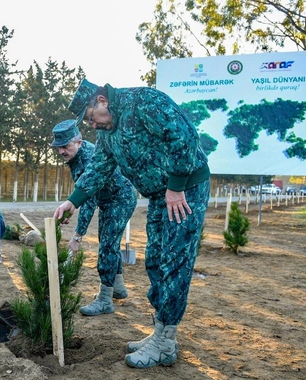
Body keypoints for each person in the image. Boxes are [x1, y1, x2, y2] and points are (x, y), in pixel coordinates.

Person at [53, 78, 211, 368]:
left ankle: (165, 343)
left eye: (90, 118)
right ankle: (162, 334)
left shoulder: (143, 102)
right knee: (155, 261)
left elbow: (183, 136)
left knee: (174, 263)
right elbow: (99, 167)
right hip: (158, 196)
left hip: (185, 191)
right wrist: (72, 201)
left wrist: (176, 186)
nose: (92, 125)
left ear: (102, 101)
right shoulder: (107, 134)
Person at [51, 119, 137, 316]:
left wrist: (77, 237)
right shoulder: (75, 158)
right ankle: (118, 288)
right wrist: (72, 206)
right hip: (108, 199)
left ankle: (105, 300)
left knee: (106, 246)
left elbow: (89, 198)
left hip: (120, 198)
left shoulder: (89, 156)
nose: (62, 151)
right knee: (109, 243)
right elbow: (83, 193)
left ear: (79, 142)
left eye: (66, 146)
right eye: (59, 147)